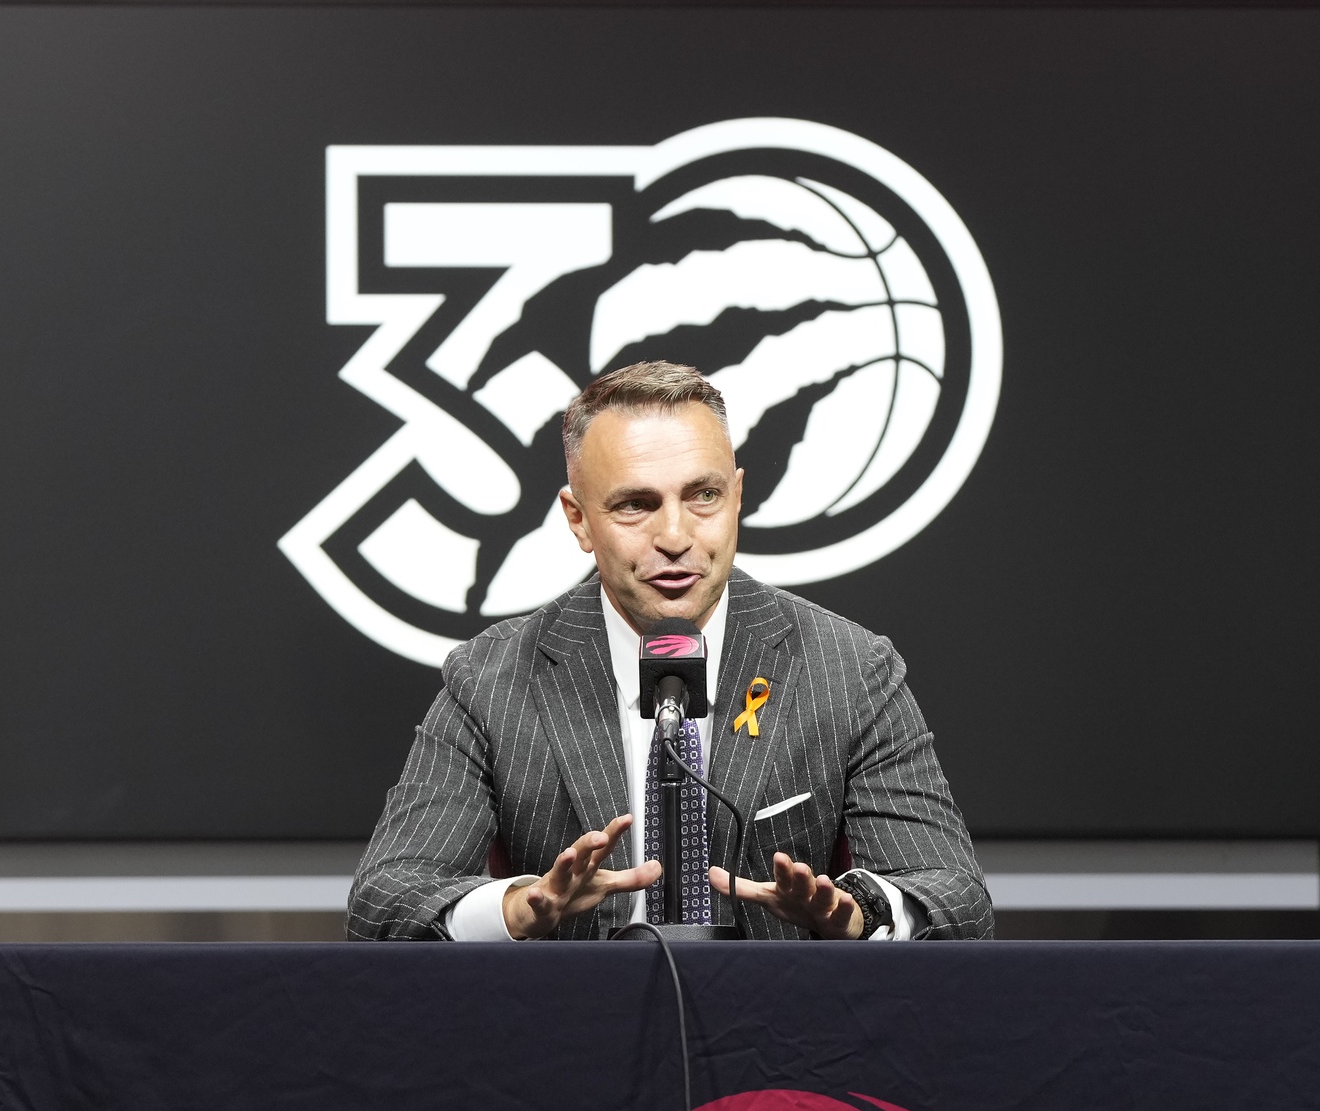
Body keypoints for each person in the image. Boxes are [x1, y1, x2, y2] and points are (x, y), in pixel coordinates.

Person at [346, 361, 991, 942]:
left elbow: (956, 899)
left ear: (737, 497)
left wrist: (859, 914)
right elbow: (385, 903)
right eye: (636, 505)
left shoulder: (848, 669)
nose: (676, 536)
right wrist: (522, 907)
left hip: (785, 1041)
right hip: (570, 1037)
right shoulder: (492, 679)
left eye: (703, 496)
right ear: (577, 519)